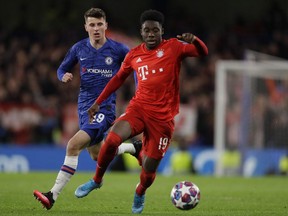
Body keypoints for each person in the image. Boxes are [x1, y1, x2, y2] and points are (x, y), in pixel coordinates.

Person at [75, 9, 208, 214]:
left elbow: (202, 52)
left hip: (162, 119)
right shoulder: (134, 54)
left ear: (162, 30)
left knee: (148, 170)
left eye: (155, 30)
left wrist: (196, 40)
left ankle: (140, 191)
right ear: (142, 32)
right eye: (147, 30)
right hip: (138, 108)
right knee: (111, 139)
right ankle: (96, 180)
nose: (151, 34)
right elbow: (118, 78)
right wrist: (98, 102)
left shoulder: (174, 47)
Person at [33, 8, 142, 210]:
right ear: (86, 27)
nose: (96, 28)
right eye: (92, 24)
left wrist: (139, 88)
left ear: (106, 26)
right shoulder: (79, 49)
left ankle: (52, 195)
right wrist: (62, 76)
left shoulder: (119, 49)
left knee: (73, 145)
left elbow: (136, 66)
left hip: (105, 109)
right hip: (84, 107)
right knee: (96, 155)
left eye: (99, 24)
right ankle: (133, 148)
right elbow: (61, 68)